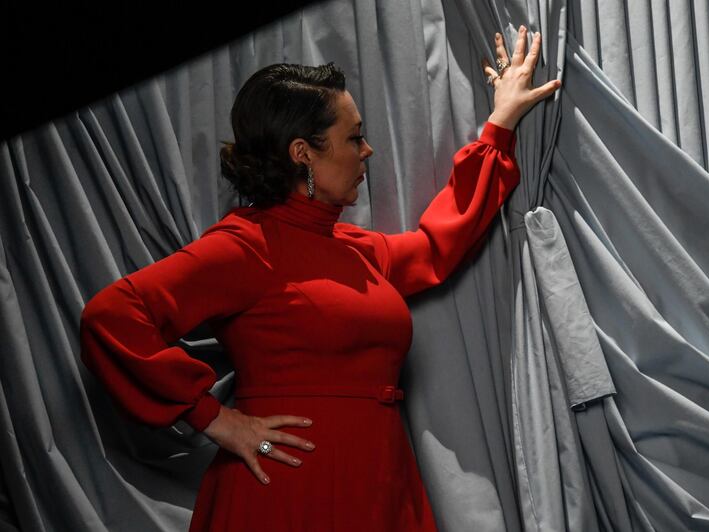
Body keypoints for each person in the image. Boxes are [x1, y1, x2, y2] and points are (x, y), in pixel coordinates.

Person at [79, 25, 559, 531]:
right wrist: (217, 421)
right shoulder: (248, 245)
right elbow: (111, 316)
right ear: (302, 152)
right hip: (288, 492)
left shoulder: (357, 251)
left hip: (379, 481)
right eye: (353, 137)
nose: (367, 150)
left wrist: (500, 123)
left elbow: (437, 247)